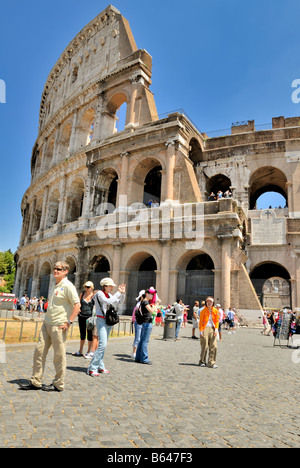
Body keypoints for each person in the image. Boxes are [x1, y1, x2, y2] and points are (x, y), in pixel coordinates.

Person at [20, 261, 80, 392]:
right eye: (54, 269)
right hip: (47, 324)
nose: (55, 271)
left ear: (65, 271)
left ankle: (58, 384)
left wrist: (69, 322)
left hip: (59, 325)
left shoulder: (68, 286)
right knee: (39, 352)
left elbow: (77, 305)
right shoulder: (55, 285)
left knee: (59, 356)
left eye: (58, 269)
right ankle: (36, 381)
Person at [87, 278, 126, 377]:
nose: (112, 287)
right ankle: (92, 368)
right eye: (110, 285)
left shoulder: (109, 294)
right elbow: (108, 302)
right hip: (101, 320)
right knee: (102, 345)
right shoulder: (99, 294)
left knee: (103, 344)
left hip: (107, 320)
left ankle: (100, 365)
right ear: (105, 286)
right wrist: (118, 292)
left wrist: (122, 294)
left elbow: (119, 302)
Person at [72, 281, 96, 359]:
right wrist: (77, 310)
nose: (86, 288)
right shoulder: (82, 294)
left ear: (92, 288)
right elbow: (78, 304)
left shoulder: (94, 296)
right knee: (82, 333)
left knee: (90, 334)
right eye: (85, 287)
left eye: (88, 287)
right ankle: (80, 350)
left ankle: (89, 351)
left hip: (90, 317)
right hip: (81, 316)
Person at [135, 289, 155, 365]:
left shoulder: (143, 301)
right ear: (146, 294)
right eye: (151, 294)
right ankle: (144, 359)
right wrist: (156, 304)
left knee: (142, 340)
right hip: (147, 322)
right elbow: (152, 311)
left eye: (153, 294)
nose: (152, 295)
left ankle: (138, 357)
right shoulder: (145, 302)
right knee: (145, 341)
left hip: (144, 322)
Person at [199, 296, 219, 369]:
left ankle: (211, 362)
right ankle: (202, 361)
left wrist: (216, 330)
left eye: (210, 302)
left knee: (214, 346)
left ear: (213, 303)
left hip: (213, 328)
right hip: (205, 328)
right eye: (208, 302)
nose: (209, 303)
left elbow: (217, 321)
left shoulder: (215, 311)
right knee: (205, 346)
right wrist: (201, 331)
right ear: (206, 302)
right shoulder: (203, 311)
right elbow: (201, 322)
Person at [131, 290, 144, 359]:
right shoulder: (139, 304)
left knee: (141, 338)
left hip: (143, 322)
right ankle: (134, 352)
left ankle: (139, 352)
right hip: (138, 322)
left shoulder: (144, 303)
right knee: (138, 338)